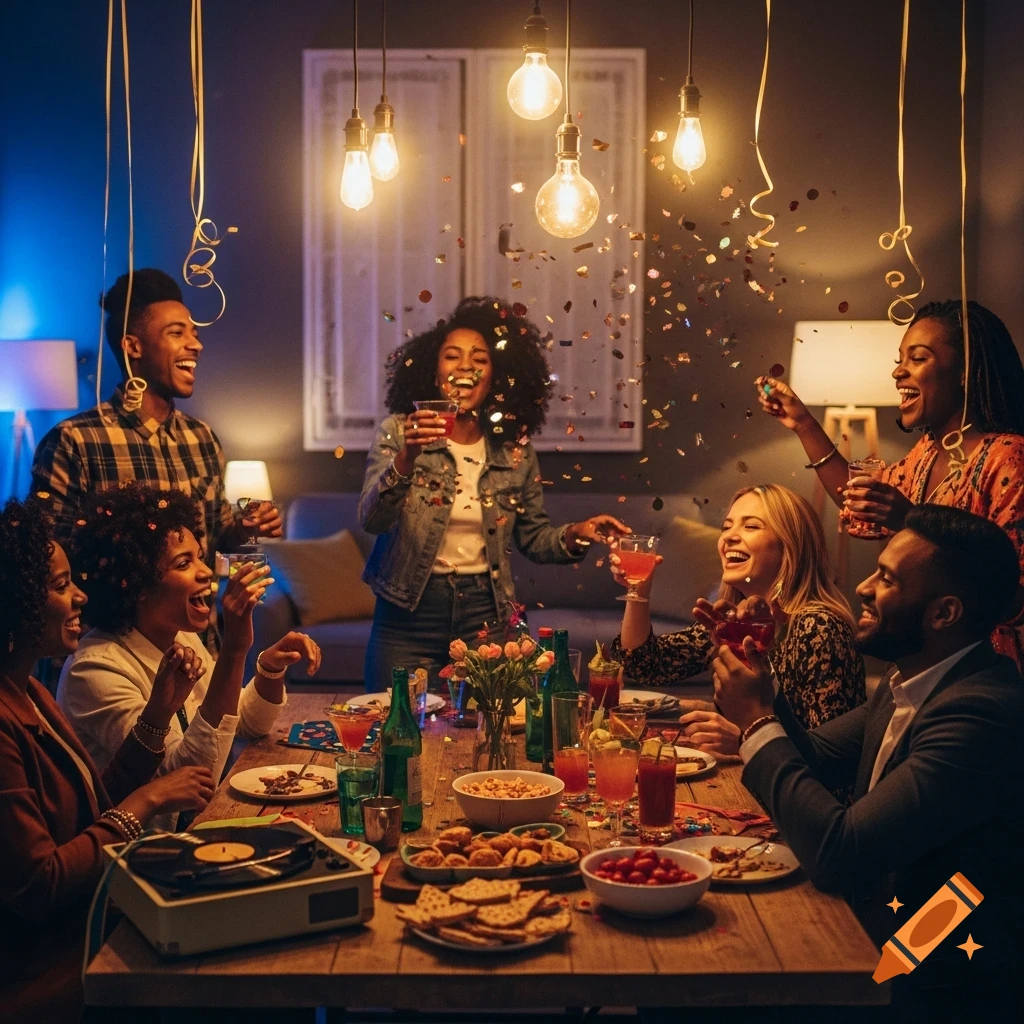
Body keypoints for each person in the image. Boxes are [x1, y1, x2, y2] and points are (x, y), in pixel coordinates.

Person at [709, 505, 1022, 1011]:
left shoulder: (980, 714)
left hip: (925, 979)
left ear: (944, 613)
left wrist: (755, 721)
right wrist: (759, 684)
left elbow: (841, 855)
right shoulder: (911, 679)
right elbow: (816, 756)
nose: (862, 587)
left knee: (701, 989)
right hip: (875, 933)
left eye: (886, 578)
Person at [0, 498, 215, 1023]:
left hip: (93, 917)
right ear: (14, 602)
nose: (80, 595)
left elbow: (100, 801)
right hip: (53, 958)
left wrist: (162, 705)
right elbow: (40, 883)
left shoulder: (30, 690)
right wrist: (149, 800)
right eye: (58, 586)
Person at [359, 295, 629, 691]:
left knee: (501, 733)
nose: (466, 366)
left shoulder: (515, 451)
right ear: (435, 372)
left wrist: (576, 533)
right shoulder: (400, 432)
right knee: (399, 733)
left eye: (480, 360)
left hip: (486, 616)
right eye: (452, 356)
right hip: (407, 617)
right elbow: (372, 519)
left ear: (493, 378)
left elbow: (533, 538)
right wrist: (407, 458)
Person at [758, 300, 1024, 669]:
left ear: (965, 369)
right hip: (928, 663)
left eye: (917, 358)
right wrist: (804, 423)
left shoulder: (1008, 458)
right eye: (899, 359)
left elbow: (1013, 597)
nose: (899, 372)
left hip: (987, 670)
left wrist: (910, 519)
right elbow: (859, 504)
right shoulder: (928, 451)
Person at [57, 483, 320, 823]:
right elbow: (185, 779)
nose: (206, 571)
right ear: (137, 583)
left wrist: (268, 669)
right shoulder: (95, 670)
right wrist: (233, 650)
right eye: (184, 563)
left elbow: (240, 723)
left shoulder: (180, 636)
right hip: (140, 853)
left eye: (200, 556)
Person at [31, 268, 283, 555]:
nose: (196, 344)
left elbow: (218, 541)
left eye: (195, 334)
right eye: (176, 333)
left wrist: (245, 529)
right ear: (133, 346)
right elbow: (47, 557)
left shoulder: (202, 438)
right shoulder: (74, 441)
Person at [610, 484, 865, 755]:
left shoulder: (818, 627)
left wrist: (745, 739)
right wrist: (639, 590)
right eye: (727, 527)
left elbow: (834, 756)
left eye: (751, 526)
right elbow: (644, 665)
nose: (729, 537)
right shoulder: (736, 621)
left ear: (790, 544)